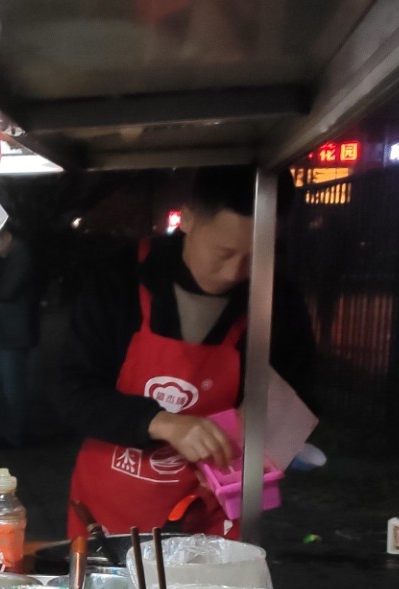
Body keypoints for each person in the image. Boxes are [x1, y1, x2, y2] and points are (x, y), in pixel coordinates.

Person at [55, 164, 319, 540]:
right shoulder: (118, 281)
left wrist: (252, 458)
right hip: (112, 513)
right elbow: (72, 392)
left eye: (257, 255)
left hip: (212, 515)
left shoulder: (277, 302)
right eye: (224, 252)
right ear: (188, 219)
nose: (234, 272)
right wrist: (162, 422)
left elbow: (299, 395)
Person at [0, 222, 42, 448]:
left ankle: (15, 436)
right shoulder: (9, 258)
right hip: (4, 330)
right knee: (2, 385)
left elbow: (7, 291)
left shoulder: (22, 257)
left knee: (13, 388)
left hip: (14, 333)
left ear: (7, 238)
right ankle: (7, 433)